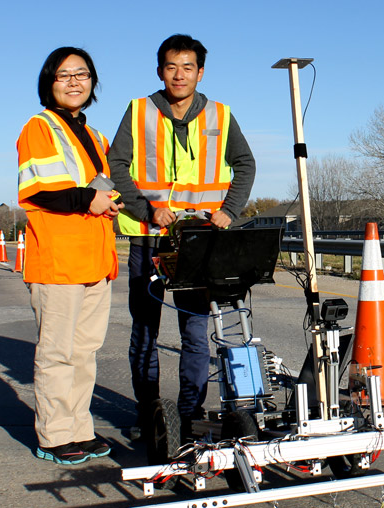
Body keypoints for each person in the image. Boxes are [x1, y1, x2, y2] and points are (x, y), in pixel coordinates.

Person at [108, 34, 255, 440]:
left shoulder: (221, 115)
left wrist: (229, 211)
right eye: (172, 67)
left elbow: (245, 164)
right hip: (149, 237)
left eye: (187, 67)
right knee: (146, 328)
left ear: (200, 72)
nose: (179, 74)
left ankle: (189, 416)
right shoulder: (138, 111)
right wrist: (145, 208)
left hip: (197, 240)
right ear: (160, 71)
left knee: (194, 328)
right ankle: (149, 414)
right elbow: (116, 165)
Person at [17, 47, 124, 465]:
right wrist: (88, 199)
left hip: (95, 258)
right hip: (59, 259)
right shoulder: (39, 127)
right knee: (57, 352)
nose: (75, 82)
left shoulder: (96, 136)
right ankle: (54, 434)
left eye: (82, 74)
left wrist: (108, 201)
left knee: (84, 351)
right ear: (49, 83)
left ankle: (79, 427)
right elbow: (38, 190)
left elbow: (102, 186)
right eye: (64, 75)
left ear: (92, 81)